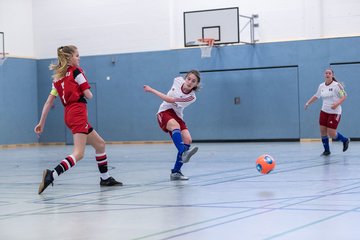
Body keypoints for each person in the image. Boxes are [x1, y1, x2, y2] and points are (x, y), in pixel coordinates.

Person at [35, 45, 122, 194]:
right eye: (77, 55)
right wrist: (83, 85)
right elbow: (89, 95)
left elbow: (49, 102)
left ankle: (105, 178)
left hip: (69, 114)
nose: (79, 58)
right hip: (78, 113)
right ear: (69, 58)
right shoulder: (77, 72)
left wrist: (41, 122)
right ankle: (51, 175)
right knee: (78, 153)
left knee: (100, 144)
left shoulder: (57, 79)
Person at [143, 70, 201, 180]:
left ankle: (176, 172)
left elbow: (171, 99)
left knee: (188, 140)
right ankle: (183, 152)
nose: (189, 82)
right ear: (185, 78)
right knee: (175, 126)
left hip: (177, 115)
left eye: (193, 81)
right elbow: (168, 101)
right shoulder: (178, 80)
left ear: (196, 84)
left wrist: (152, 89)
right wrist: (151, 90)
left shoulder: (192, 97)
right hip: (164, 111)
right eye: (188, 79)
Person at [304, 68, 350, 156]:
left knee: (331, 133)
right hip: (324, 111)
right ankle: (327, 151)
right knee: (323, 132)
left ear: (332, 75)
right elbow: (316, 96)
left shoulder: (336, 85)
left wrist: (336, 104)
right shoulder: (321, 86)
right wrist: (307, 103)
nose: (327, 74)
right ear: (324, 75)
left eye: (329, 73)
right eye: (326, 73)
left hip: (335, 112)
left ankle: (345, 140)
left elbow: (344, 96)